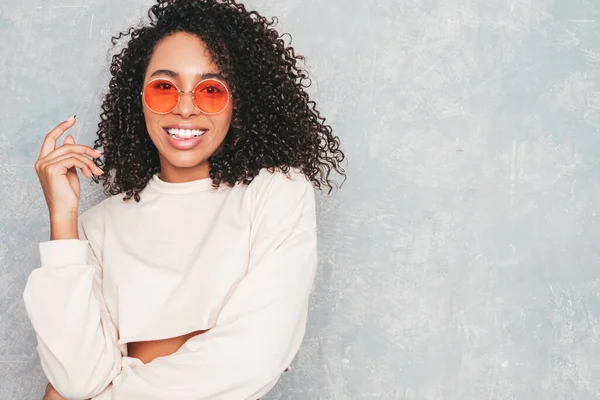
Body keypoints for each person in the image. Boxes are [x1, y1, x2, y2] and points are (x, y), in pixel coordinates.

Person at [22, 0, 345, 398]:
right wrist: (63, 218)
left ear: (239, 101)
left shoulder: (275, 192)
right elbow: (75, 380)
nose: (186, 107)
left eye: (210, 90)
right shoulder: (96, 226)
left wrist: (108, 387)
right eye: (164, 88)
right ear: (137, 98)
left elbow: (253, 358)